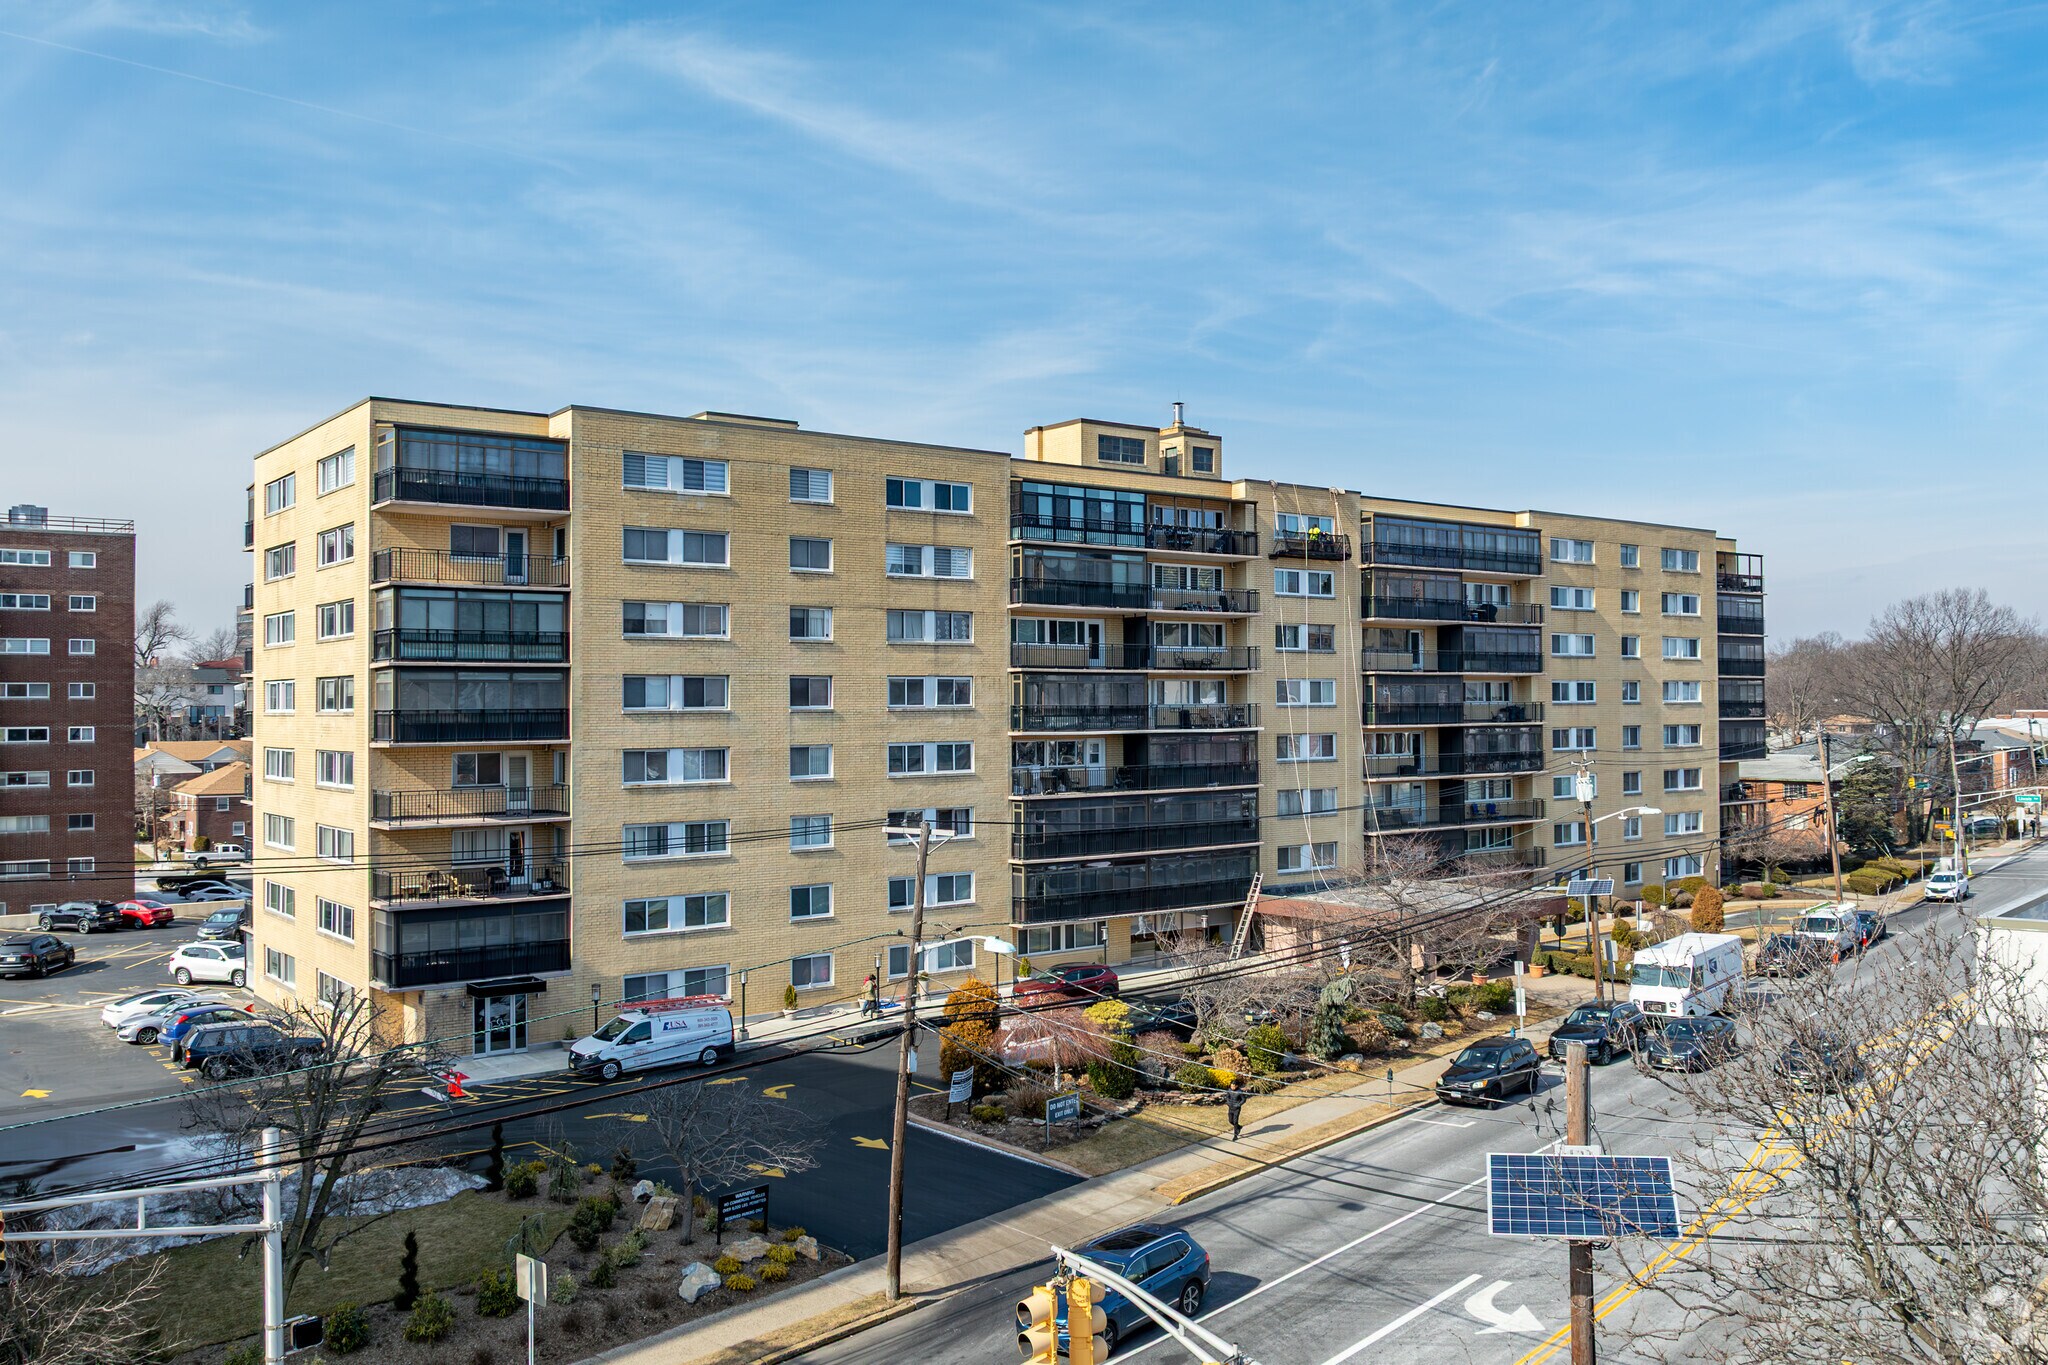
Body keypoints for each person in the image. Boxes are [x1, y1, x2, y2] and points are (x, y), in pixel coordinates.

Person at [1224, 1077, 1247, 1143]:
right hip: (1230, 1108)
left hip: (1236, 1108)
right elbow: (1227, 1097)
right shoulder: (1229, 1090)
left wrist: (1239, 1105)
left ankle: (1235, 1135)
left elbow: (1243, 1099)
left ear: (1236, 1086)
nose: (1232, 1087)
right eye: (1231, 1085)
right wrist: (1228, 1102)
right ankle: (1238, 1127)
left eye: (1234, 1086)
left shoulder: (1240, 1092)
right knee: (1230, 1120)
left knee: (1235, 1121)